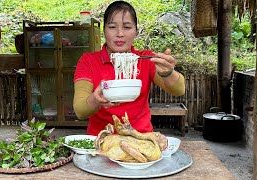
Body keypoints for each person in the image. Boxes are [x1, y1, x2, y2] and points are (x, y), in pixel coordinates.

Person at [73, 0, 185, 136]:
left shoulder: (146, 59)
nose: (120, 33)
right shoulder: (89, 61)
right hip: (101, 140)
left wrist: (168, 73)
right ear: (104, 31)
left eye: (127, 27)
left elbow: (179, 90)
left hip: (141, 138)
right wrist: (95, 100)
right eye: (112, 27)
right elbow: (80, 110)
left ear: (136, 31)